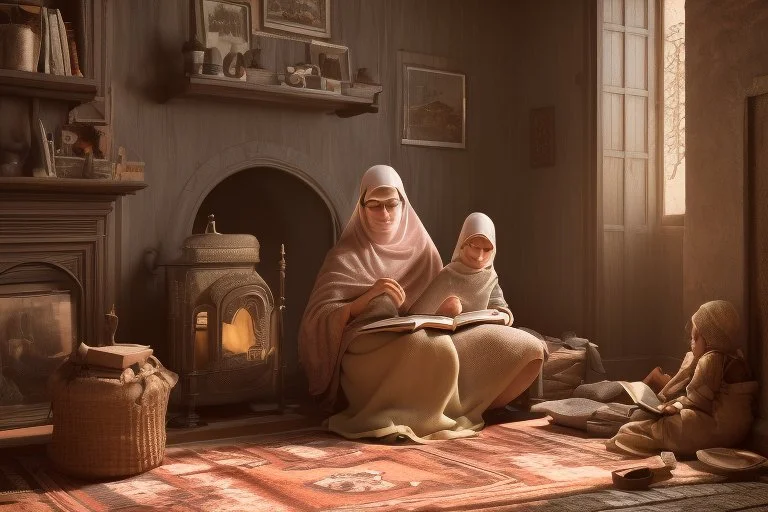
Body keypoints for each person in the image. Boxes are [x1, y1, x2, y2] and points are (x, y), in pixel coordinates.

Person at [298, 165, 545, 442]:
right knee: (432, 348)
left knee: (522, 346)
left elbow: (434, 305)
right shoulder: (345, 255)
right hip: (368, 346)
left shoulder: (423, 249)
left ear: (403, 204)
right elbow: (318, 319)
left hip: (426, 333)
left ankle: (459, 408)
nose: (385, 214)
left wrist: (449, 314)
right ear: (362, 207)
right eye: (374, 205)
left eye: (391, 204)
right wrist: (368, 297)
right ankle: (429, 416)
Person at [606, 300, 758, 456]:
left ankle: (634, 443)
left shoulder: (710, 360)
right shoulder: (738, 357)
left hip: (717, 428)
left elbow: (697, 402)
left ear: (707, 337)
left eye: (694, 338)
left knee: (633, 430)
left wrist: (674, 407)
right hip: (741, 431)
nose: (692, 343)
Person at [409, 212, 513, 323]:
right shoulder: (448, 274)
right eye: (475, 247)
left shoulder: (490, 278)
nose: (479, 257)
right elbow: (418, 315)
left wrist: (503, 315)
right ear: (463, 244)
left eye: (487, 249)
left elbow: (501, 310)